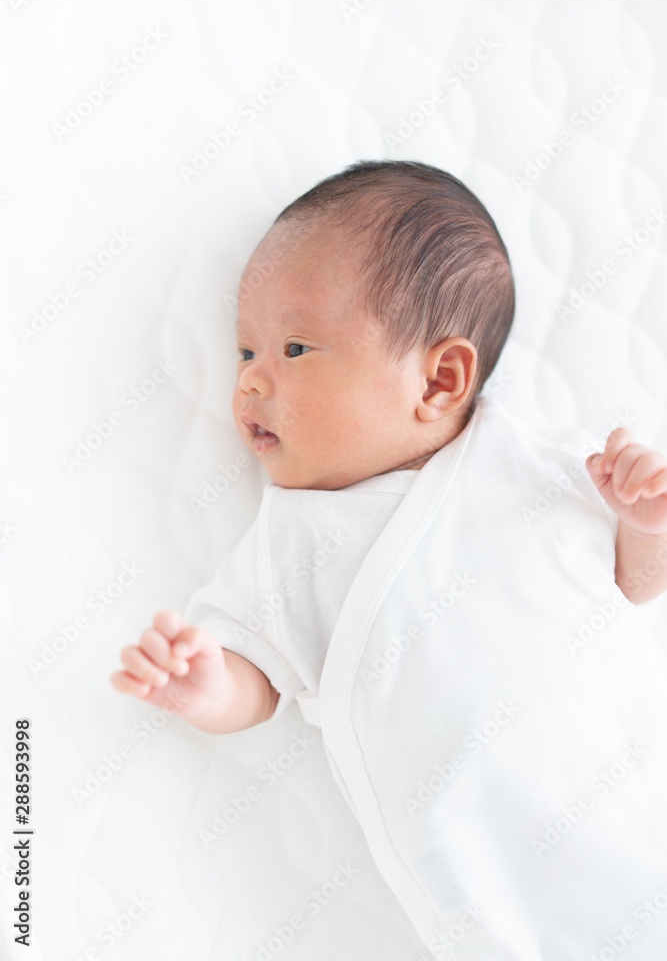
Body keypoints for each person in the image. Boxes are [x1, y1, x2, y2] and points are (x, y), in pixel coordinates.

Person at [110, 160, 667, 957]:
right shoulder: (291, 541)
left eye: (294, 347)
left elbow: (629, 587)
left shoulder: (540, 468)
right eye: (243, 352)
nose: (251, 383)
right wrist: (204, 684)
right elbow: (257, 683)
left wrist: (644, 522)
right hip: (493, 884)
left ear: (440, 379)